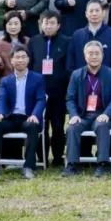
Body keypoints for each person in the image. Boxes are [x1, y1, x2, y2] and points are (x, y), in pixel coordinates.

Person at [0, 46, 46, 179]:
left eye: (23, 57)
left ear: (28, 60)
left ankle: (28, 167)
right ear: (11, 61)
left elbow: (41, 99)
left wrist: (35, 115)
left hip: (28, 117)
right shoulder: (5, 80)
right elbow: (1, 99)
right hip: (10, 117)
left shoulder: (38, 78)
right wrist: (0, 112)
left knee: (32, 127)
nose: (20, 60)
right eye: (17, 57)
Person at [63, 41, 111, 177]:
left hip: (101, 114)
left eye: (97, 53)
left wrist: (107, 114)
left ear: (102, 55)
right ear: (85, 56)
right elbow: (70, 98)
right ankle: (72, 165)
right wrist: (74, 115)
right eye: (90, 53)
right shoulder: (76, 74)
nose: (94, 56)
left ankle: (102, 164)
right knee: (72, 128)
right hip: (82, 116)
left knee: (102, 126)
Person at [29, 9, 71, 167]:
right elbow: (30, 65)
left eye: (52, 23)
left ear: (58, 25)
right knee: (41, 125)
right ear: (40, 24)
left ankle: (58, 156)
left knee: (58, 125)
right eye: (45, 23)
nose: (48, 26)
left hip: (59, 91)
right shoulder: (33, 41)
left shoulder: (67, 41)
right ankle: (42, 157)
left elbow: (69, 66)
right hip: (39, 92)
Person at [68, 0, 111, 74]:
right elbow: (70, 62)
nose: (94, 14)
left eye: (97, 11)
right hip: (81, 79)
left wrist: (110, 77)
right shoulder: (77, 36)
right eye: (91, 11)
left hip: (106, 80)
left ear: (103, 13)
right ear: (86, 14)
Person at [0, 11, 28, 84]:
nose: (13, 27)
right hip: (6, 83)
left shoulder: (28, 41)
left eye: (16, 23)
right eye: (10, 24)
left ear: (21, 25)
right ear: (5, 25)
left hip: (25, 82)